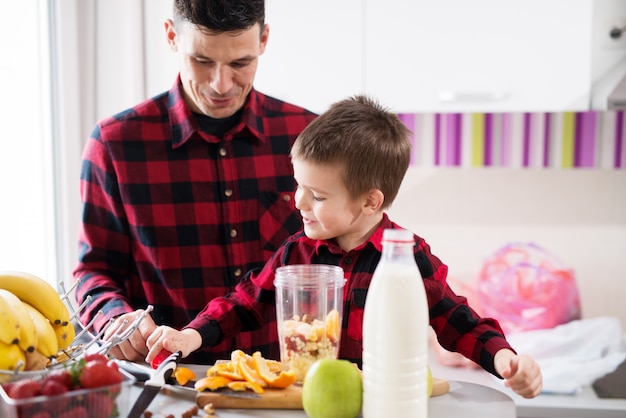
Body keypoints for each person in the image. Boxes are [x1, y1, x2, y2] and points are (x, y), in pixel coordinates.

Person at [145, 95, 543, 399]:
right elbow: (244, 302)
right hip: (305, 401)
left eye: (316, 194)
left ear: (370, 202)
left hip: (381, 403)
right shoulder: (295, 252)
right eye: (298, 185)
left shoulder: (406, 258)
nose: (298, 201)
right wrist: (191, 336)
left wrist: (503, 359)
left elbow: (457, 321)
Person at [73, 0, 317, 364]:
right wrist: (113, 319)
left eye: (240, 63)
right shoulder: (115, 144)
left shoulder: (308, 137)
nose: (221, 84)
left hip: (286, 382)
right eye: (202, 61)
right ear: (172, 36)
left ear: (263, 40)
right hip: (172, 384)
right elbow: (94, 271)